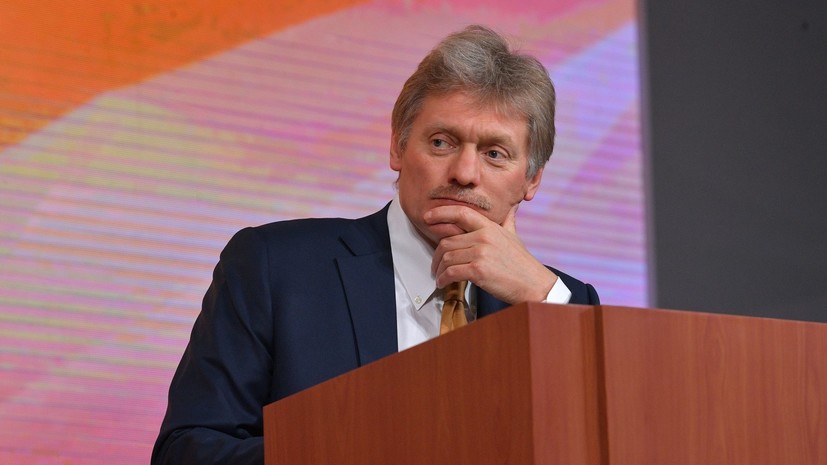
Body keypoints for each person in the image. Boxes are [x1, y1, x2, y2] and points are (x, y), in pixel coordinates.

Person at [151, 24, 599, 465]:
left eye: (494, 153)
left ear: (532, 180)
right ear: (397, 148)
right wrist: (361, 446)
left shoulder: (563, 302)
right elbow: (187, 453)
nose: (464, 173)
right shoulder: (275, 267)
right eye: (441, 142)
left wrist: (544, 301)